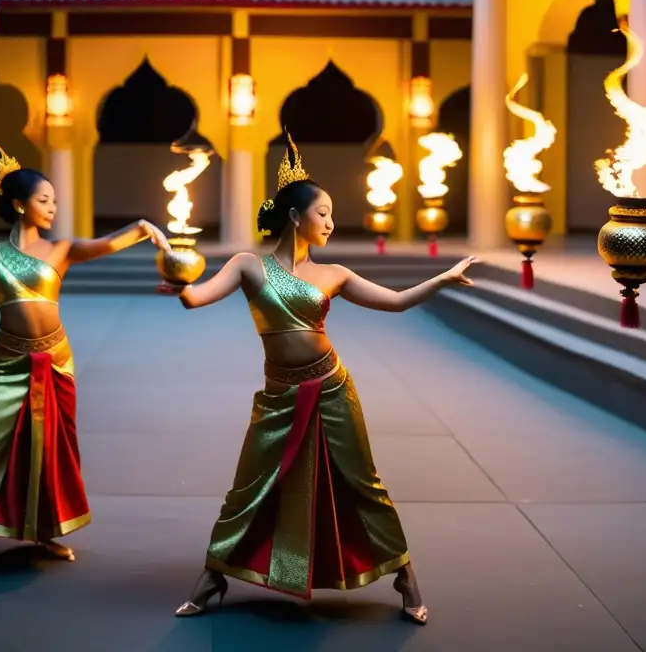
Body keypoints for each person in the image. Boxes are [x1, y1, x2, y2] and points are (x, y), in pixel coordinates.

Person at [165, 136, 475, 625]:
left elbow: (393, 302)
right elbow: (197, 298)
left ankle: (405, 578)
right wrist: (179, 279)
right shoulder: (249, 265)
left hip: (332, 387)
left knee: (361, 482)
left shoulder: (333, 273)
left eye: (332, 214)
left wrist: (441, 278)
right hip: (279, 393)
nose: (331, 222)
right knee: (250, 485)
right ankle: (214, 576)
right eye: (323, 212)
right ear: (295, 216)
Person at [0, 138, 171, 586]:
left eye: (55, 201)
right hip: (9, 365)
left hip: (56, 360)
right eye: (44, 200)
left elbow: (106, 244)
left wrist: (142, 226)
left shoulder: (60, 250)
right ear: (19, 205)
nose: (53, 207)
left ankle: (45, 534)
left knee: (51, 450)